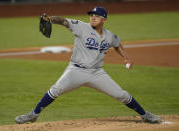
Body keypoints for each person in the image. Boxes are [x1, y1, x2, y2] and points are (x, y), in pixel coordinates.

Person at [15, 6, 162, 124]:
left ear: (103, 19)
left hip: (97, 73)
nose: (92, 17)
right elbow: (63, 21)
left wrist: (126, 58)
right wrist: (50, 19)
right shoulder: (81, 26)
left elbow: (117, 44)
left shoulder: (109, 35)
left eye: (96, 16)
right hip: (76, 71)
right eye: (91, 15)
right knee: (55, 90)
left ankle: (145, 115)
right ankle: (33, 115)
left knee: (121, 94)